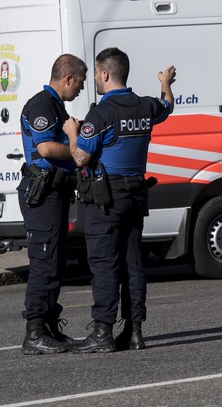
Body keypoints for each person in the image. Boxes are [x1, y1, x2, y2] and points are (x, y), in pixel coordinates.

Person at [65, 47, 175, 353]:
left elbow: (81, 157)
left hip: (106, 200)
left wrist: (73, 133)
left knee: (104, 265)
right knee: (133, 264)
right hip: (135, 197)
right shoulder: (144, 106)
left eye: (97, 75)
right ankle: (134, 331)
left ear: (104, 74)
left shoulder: (101, 113)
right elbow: (167, 105)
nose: (96, 82)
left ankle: (102, 332)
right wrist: (166, 82)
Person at [17, 53, 88, 355]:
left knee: (56, 262)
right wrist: (74, 146)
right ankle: (34, 333)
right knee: (44, 263)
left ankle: (47, 327)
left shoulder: (56, 106)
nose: (81, 89)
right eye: (80, 83)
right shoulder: (41, 105)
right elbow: (45, 147)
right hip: (41, 194)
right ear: (68, 78)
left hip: (55, 192)